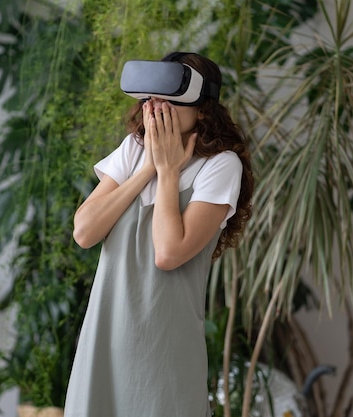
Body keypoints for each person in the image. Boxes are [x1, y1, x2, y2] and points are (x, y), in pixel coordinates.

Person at [64, 52, 254, 417]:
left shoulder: (220, 165)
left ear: (202, 109)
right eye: (150, 98)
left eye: (168, 99)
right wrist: (147, 167)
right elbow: (84, 232)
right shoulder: (133, 150)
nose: (155, 107)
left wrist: (168, 172)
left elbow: (168, 252)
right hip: (106, 339)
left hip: (165, 351)